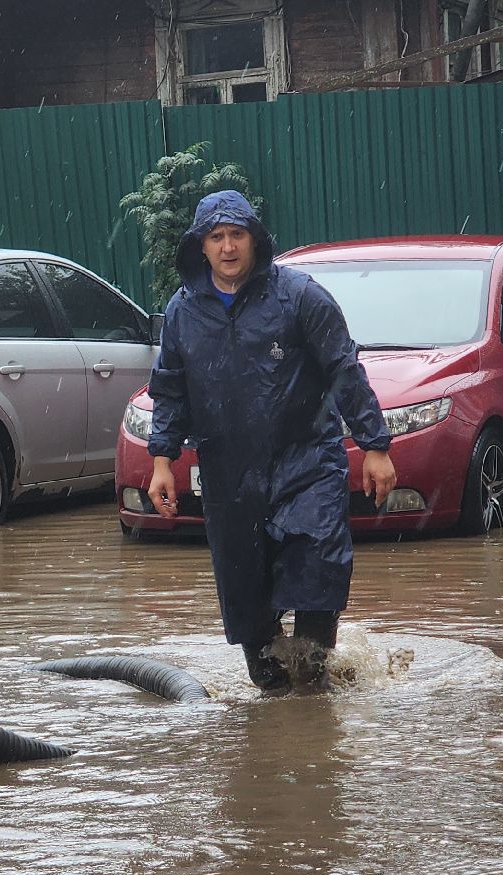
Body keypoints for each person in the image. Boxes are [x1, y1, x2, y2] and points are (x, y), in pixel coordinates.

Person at [145, 190, 396, 694]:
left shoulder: (301, 297)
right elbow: (170, 388)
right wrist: (161, 460)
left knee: (317, 570)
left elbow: (344, 372)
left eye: (237, 235)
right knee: (245, 594)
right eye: (216, 237)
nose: (228, 247)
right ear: (201, 246)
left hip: (307, 462)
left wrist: (375, 445)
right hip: (228, 472)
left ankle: (313, 695)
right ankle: (276, 708)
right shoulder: (182, 311)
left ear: (255, 241)